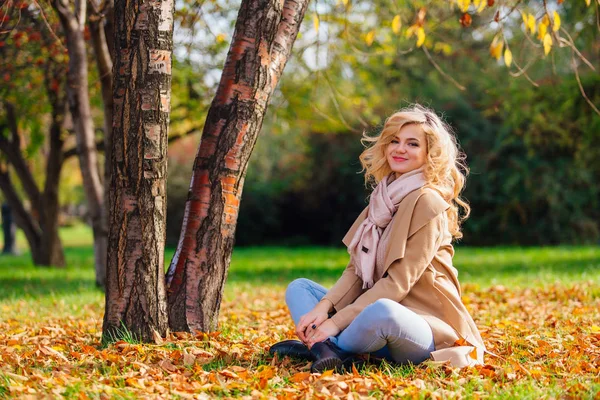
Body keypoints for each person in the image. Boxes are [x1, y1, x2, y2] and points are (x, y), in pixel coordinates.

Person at [269, 105, 486, 373]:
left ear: (430, 153)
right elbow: (357, 272)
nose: (400, 149)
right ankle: (328, 348)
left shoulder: (428, 202)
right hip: (370, 321)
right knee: (300, 288)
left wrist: (335, 322)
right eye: (394, 140)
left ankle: (324, 346)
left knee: (383, 309)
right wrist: (323, 309)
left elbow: (397, 285)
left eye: (412, 143)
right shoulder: (382, 200)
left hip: (420, 327)